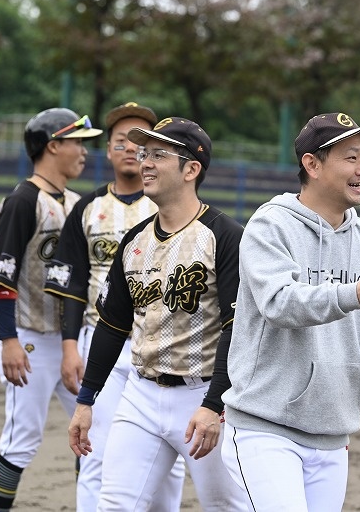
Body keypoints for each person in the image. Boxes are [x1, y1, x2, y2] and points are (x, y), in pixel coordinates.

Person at [220, 111, 360, 511]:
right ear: (312, 164)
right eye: (351, 158)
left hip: (332, 432)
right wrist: (351, 295)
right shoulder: (270, 226)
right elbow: (280, 302)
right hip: (266, 428)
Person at [67, 117, 247, 511]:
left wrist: (214, 403)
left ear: (191, 169)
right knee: (114, 504)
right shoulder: (135, 241)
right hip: (141, 394)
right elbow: (111, 326)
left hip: (203, 393)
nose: (144, 162)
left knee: (226, 506)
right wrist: (86, 399)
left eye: (158, 155)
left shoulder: (224, 236)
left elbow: (239, 329)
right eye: (144, 153)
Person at [43, 102, 185, 511]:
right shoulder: (87, 208)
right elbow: (71, 284)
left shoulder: (169, 208)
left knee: (168, 459)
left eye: (142, 146)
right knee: (96, 452)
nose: (130, 150)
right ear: (108, 150)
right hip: (101, 339)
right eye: (120, 141)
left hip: (158, 345)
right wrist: (70, 346)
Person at [0, 108, 102, 512]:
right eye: (77, 142)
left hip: (71, 342)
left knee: (94, 434)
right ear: (53, 145)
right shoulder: (23, 200)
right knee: (21, 441)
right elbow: (2, 276)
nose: (84, 151)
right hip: (30, 339)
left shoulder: (78, 202)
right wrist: (8, 340)